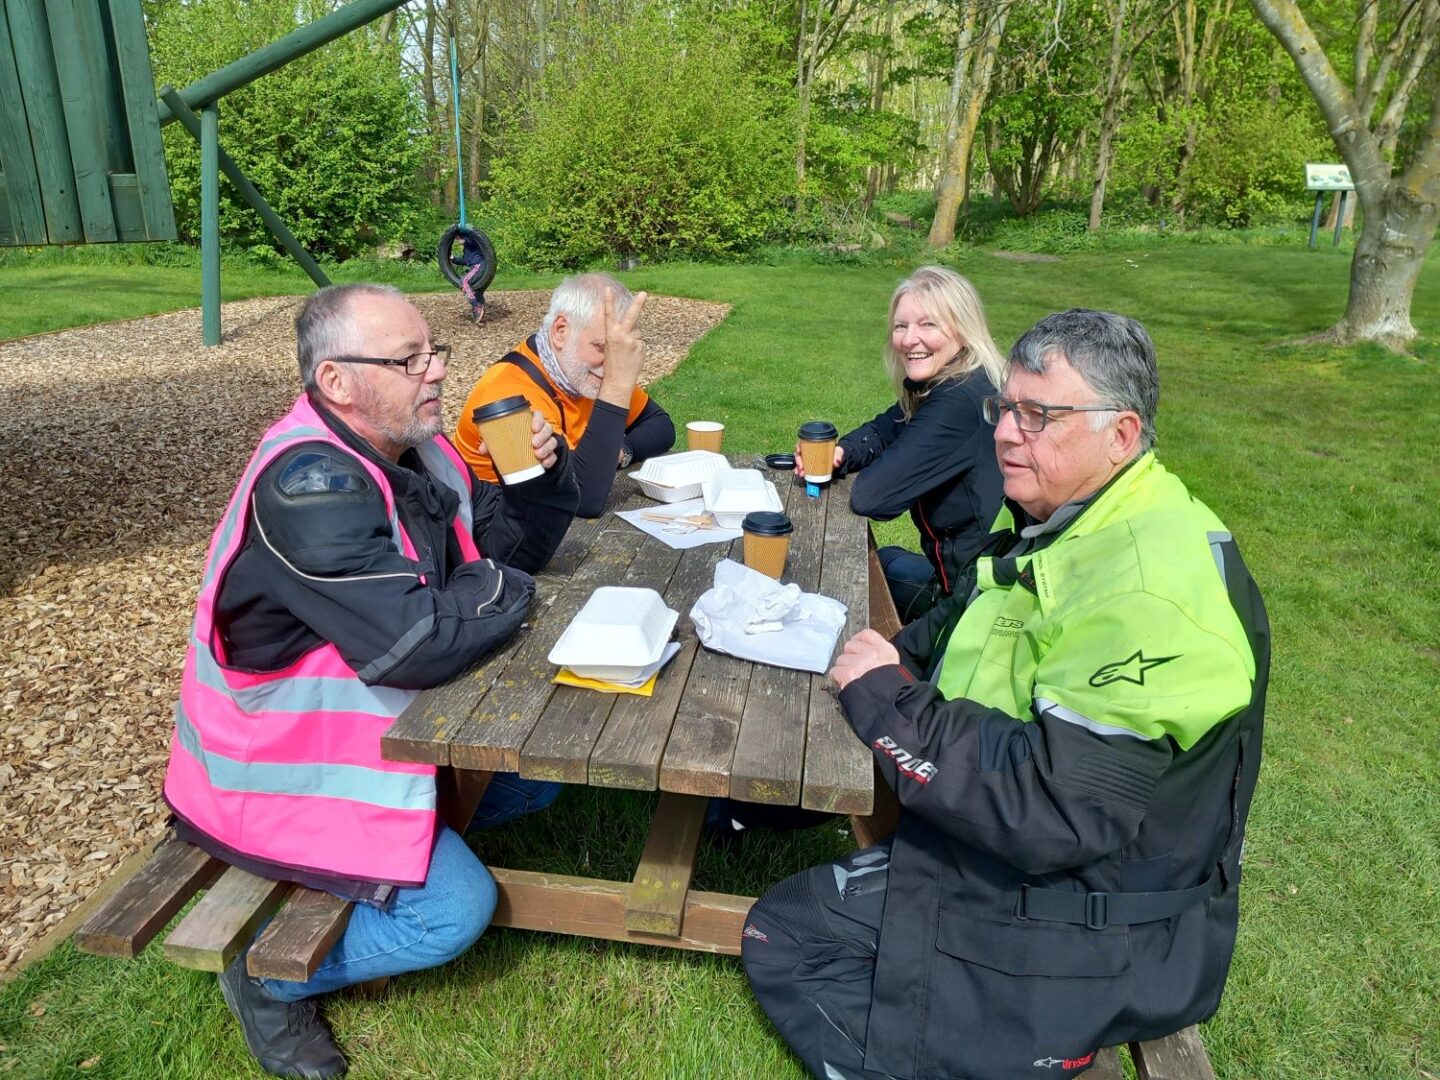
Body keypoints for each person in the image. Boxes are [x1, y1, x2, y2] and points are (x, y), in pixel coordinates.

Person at [744, 309, 1269, 1079]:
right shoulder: (1071, 518)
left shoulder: (1149, 592)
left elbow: (1053, 812)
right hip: (1051, 869)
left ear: (1121, 434)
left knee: (785, 936)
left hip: (1098, 920)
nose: (1006, 434)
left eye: (1040, 416)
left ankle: (1006, 1056)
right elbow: (975, 616)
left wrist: (889, 699)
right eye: (1006, 409)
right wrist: (892, 653)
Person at [161, 283, 580, 1079]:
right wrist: (499, 593)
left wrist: (539, 482)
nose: (437, 373)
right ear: (337, 383)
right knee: (455, 913)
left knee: (537, 784)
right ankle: (270, 978)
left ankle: (394, 857)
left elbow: (500, 554)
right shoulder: (308, 485)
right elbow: (417, 642)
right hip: (270, 774)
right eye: (409, 359)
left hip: (361, 741)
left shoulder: (414, 450)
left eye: (435, 352)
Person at [798, 266, 1006, 623]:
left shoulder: (957, 401)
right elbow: (884, 429)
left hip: (974, 603)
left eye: (928, 325)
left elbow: (873, 496)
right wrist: (842, 453)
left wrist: (874, 461)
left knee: (846, 587)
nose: (910, 340)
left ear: (963, 329)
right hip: (970, 577)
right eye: (901, 326)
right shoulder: (959, 380)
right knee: (888, 559)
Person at [455, 273, 675, 518]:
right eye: (602, 348)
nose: (612, 364)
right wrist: (617, 385)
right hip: (496, 535)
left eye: (618, 351)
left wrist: (620, 451)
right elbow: (582, 498)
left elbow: (661, 426)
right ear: (560, 330)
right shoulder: (510, 393)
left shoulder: (583, 372)